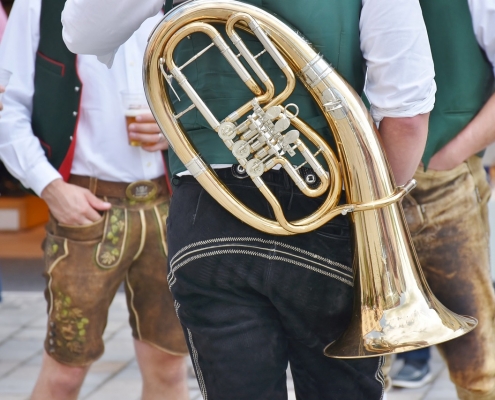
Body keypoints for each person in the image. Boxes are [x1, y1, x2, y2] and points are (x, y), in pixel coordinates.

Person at [61, 0, 436, 398]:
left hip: (209, 211)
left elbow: (82, 32)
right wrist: (369, 222)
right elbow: (406, 117)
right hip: (332, 210)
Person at [0, 0, 189, 399]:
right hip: (84, 208)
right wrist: (50, 187)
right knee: (65, 373)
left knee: (170, 370)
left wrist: (176, 128)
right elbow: (6, 105)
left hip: (169, 208)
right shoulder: (41, 4)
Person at [391, 1, 495, 398]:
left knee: (478, 366)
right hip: (347, 185)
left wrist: (449, 156)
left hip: (439, 179)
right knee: (347, 368)